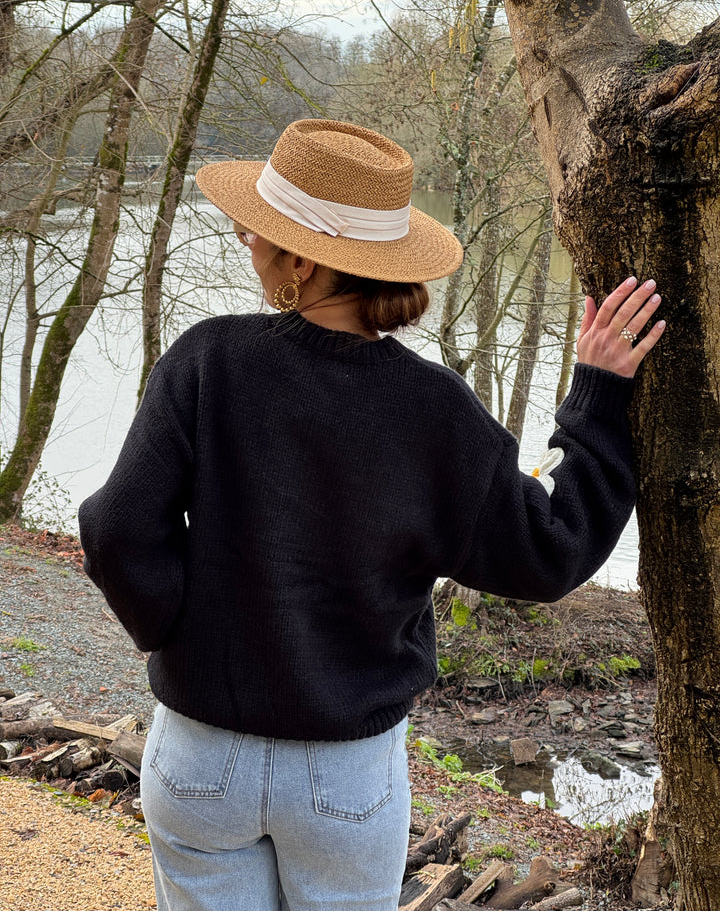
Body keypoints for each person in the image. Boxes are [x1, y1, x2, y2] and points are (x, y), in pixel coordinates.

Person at [78, 118, 665, 911]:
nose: (247, 238)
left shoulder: (207, 361)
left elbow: (117, 532)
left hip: (199, 755)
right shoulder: (437, 410)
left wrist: (179, 637)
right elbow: (550, 552)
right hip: (344, 774)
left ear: (303, 258)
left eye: (263, 229)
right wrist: (595, 399)